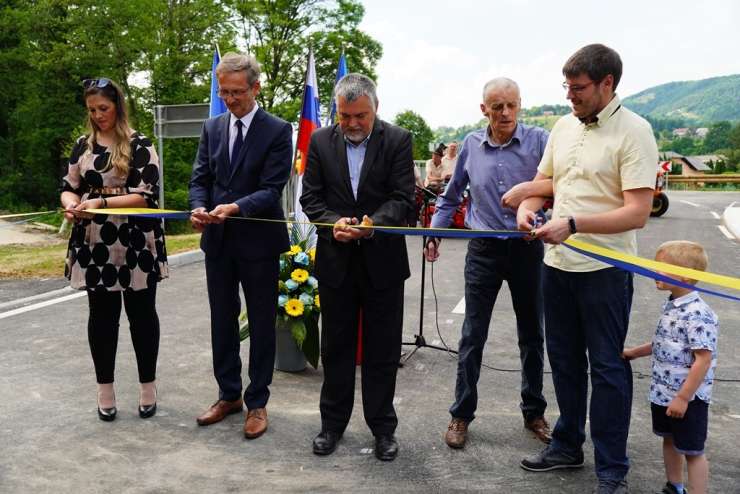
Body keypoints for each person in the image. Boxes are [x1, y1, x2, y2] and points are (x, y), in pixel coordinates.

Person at [517, 44, 659, 494]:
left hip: (605, 271)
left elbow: (637, 212)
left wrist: (574, 224)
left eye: (578, 89)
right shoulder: (562, 126)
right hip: (556, 265)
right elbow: (551, 183)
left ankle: (612, 469)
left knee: (607, 369)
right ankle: (567, 444)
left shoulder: (636, 132)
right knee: (562, 362)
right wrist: (529, 204)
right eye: (567, 87)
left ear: (607, 84)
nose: (570, 97)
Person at [424, 78, 552, 449]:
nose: (506, 113)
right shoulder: (470, 145)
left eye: (512, 105)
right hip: (483, 250)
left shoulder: (539, 142)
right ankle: (461, 415)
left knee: (532, 334)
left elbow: (557, 185)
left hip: (527, 248)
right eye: (497, 106)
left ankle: (534, 412)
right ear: (484, 110)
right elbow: (449, 198)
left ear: (520, 105)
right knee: (472, 335)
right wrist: (435, 233)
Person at [300, 73, 415, 462]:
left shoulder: (398, 140)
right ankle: (331, 425)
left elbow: (403, 201)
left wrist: (370, 225)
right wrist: (334, 223)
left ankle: (383, 429)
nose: (351, 124)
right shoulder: (319, 141)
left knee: (383, 351)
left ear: (376, 109)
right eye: (345, 115)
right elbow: (310, 198)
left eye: (360, 116)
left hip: (383, 263)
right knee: (336, 348)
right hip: (336, 263)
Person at [189, 52, 292, 439]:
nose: (229, 100)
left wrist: (235, 207)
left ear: (255, 88)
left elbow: (271, 188)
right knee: (222, 319)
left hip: (259, 242)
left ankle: (258, 402)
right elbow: (200, 177)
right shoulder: (212, 127)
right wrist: (198, 208)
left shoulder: (278, 130)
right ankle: (228, 394)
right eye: (223, 92)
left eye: (236, 92)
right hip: (218, 241)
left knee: (262, 323)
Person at [60, 77, 167, 421]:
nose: (97, 115)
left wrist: (100, 201)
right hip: (96, 242)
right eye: (92, 110)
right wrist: (72, 203)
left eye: (103, 108)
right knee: (102, 318)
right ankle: (105, 391)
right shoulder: (83, 145)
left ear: (117, 106)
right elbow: (68, 186)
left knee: (141, 316)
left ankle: (147, 387)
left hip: (136, 238)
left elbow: (145, 196)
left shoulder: (140, 143)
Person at [623, 241, 717, 494]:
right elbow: (666, 342)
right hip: (665, 393)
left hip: (687, 398)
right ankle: (675, 486)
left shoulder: (698, 313)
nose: (654, 272)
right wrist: (633, 353)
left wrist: (683, 398)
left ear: (686, 276)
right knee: (670, 440)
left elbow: (703, 359)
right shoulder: (673, 304)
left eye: (661, 268)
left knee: (693, 451)